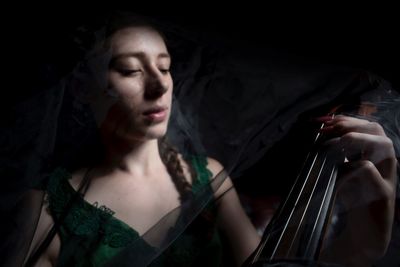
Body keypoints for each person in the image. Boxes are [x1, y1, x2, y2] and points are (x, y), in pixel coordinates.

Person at [6, 13, 398, 267]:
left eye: (165, 67)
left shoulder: (207, 176)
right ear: (81, 87)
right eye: (130, 70)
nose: (160, 85)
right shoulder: (42, 211)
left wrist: (362, 243)